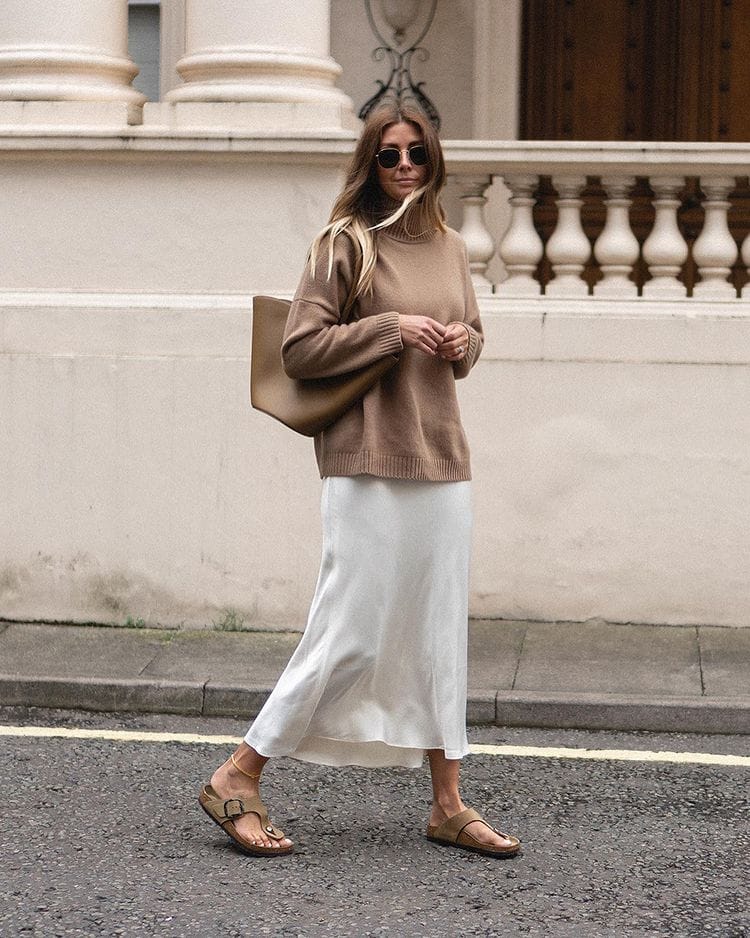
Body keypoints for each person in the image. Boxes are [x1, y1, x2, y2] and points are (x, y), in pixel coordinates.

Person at [199, 101, 520, 860]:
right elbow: (300, 349)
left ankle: (448, 803)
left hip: (442, 458)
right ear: (369, 163)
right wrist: (390, 329)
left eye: (416, 152)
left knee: (440, 633)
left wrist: (459, 341)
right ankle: (237, 774)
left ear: (434, 158)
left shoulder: (451, 246)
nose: (404, 165)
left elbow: (474, 340)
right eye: (388, 154)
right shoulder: (345, 243)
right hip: (366, 458)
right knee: (349, 630)